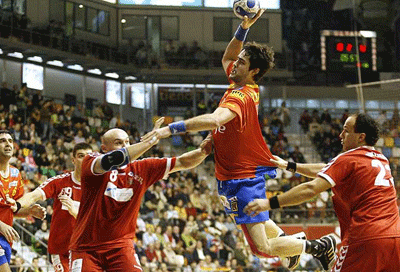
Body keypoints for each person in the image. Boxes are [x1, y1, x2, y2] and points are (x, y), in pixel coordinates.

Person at [142, 10, 304, 269]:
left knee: (260, 249)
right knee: (256, 225)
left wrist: (170, 129)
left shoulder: (241, 97)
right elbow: (228, 55)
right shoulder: (239, 83)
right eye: (238, 61)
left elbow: (216, 119)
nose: (234, 64)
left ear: (254, 71)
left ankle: (315, 245)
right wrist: (243, 27)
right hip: (231, 174)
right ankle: (289, 242)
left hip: (242, 176)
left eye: (241, 63)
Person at [244, 113, 400, 271]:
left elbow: (310, 188)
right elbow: (327, 168)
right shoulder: (381, 159)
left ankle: (320, 246)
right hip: (395, 238)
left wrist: (269, 203)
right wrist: (289, 165)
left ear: (361, 137)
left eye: (346, 130)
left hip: (366, 238)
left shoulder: (347, 159)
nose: (341, 135)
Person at [68, 118, 212, 271]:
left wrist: (204, 151)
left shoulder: (142, 168)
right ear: (104, 148)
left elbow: (182, 162)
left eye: (127, 142)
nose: (125, 146)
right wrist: (151, 141)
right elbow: (116, 158)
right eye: (118, 143)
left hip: (120, 247)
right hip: (86, 247)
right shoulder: (90, 162)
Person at [11, 142, 93, 272]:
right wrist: (17, 205)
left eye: (88, 156)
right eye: (80, 156)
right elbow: (34, 195)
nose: (84, 160)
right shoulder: (60, 181)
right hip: (62, 250)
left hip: (85, 249)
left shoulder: (97, 187)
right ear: (73, 160)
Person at [0, 130, 45, 271]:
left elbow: (13, 210)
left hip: (6, 237)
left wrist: (29, 211)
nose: (8, 144)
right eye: (2, 141)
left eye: (10, 140)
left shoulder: (15, 174)